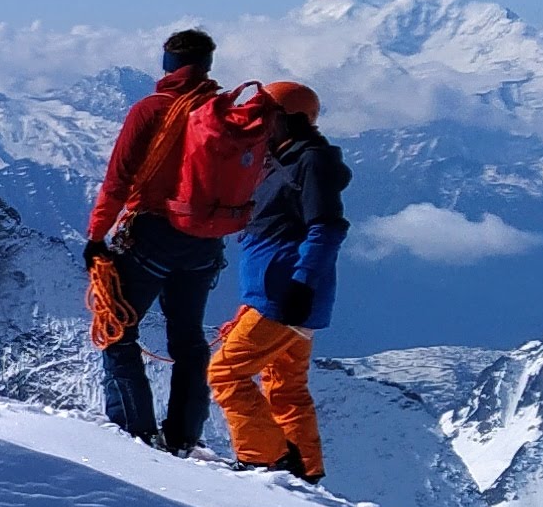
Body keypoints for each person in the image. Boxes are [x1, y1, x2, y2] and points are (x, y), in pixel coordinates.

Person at [86, 28, 270, 452]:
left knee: (117, 329)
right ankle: (184, 435)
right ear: (208, 63)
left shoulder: (152, 109)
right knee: (187, 340)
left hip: (154, 234)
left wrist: (96, 236)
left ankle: (135, 432)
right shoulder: (225, 116)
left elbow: (118, 180)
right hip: (206, 244)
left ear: (167, 62)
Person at [208, 80, 351, 481]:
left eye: (267, 117)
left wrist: (300, 283)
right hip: (284, 295)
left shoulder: (309, 163)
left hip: (286, 295)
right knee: (285, 384)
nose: (260, 125)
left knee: (225, 372)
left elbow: (327, 228)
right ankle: (305, 470)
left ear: (291, 121)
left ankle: (264, 458)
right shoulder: (283, 160)